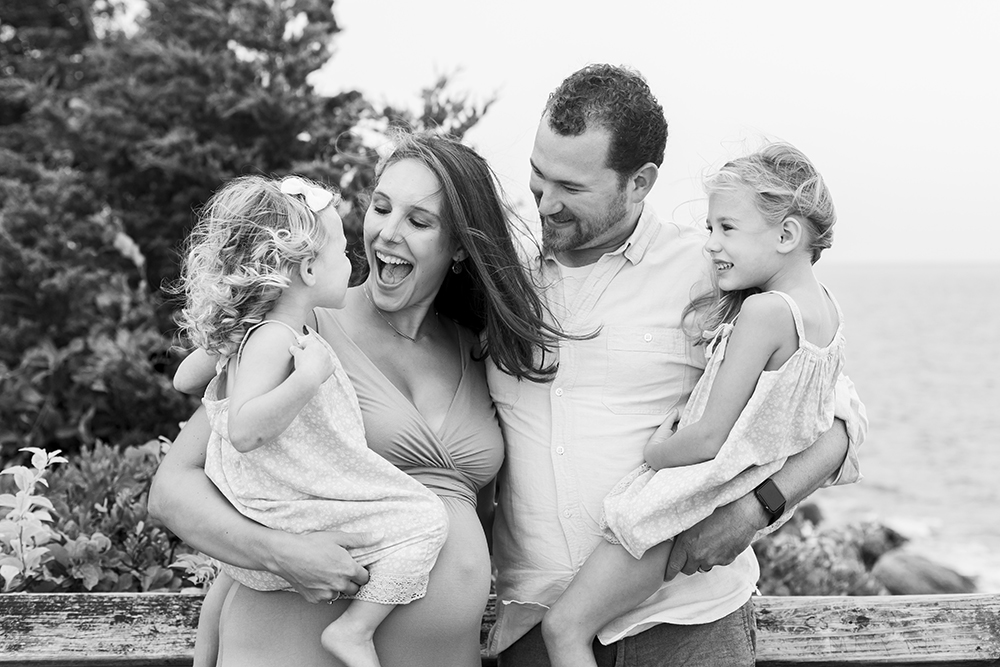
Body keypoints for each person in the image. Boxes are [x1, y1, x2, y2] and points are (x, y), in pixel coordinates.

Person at [485, 64, 867, 666]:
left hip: (688, 625)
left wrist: (755, 510)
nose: (547, 202)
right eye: (538, 176)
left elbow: (840, 421)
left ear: (640, 182)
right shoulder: (502, 280)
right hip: (533, 626)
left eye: (572, 187)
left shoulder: (714, 272)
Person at [149, 132, 568, 667]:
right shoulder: (300, 327)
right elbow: (172, 489)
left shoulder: (478, 349)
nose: (388, 233)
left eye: (419, 221)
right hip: (294, 642)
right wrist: (280, 554)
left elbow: (485, 515)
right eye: (381, 208)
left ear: (460, 246)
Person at [171, 173, 450, 667]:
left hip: (273, 511)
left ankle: (209, 648)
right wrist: (305, 380)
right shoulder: (278, 339)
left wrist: (227, 335)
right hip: (286, 507)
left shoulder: (261, 334)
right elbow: (243, 430)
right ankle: (355, 630)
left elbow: (183, 379)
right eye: (341, 253)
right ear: (306, 269)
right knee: (426, 519)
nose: (352, 261)